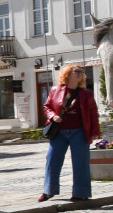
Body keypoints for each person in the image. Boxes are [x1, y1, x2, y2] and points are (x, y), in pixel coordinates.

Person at [39, 66, 100, 202]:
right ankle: (49, 191)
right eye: (76, 72)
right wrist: (53, 116)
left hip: (79, 131)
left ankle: (81, 193)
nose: (79, 74)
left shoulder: (87, 94)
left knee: (81, 163)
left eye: (81, 72)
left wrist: (95, 131)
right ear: (68, 74)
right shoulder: (56, 90)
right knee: (52, 160)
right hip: (59, 131)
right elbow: (47, 106)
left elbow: (93, 113)